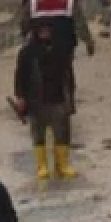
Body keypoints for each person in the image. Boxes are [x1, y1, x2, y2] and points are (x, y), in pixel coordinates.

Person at [21, 0, 95, 113]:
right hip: (64, 47)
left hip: (38, 47)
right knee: (67, 70)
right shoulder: (70, 1)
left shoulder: (34, 1)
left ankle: (23, 99)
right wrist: (89, 43)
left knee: (26, 65)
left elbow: (24, 25)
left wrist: (26, 35)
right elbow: (81, 25)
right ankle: (70, 103)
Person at [14, 19, 78, 180]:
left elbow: (68, 75)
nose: (45, 33)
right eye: (42, 30)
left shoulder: (60, 50)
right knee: (38, 133)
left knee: (62, 132)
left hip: (58, 98)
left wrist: (70, 97)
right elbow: (19, 77)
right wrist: (20, 97)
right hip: (36, 100)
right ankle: (42, 166)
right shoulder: (27, 52)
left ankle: (62, 164)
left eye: (48, 30)